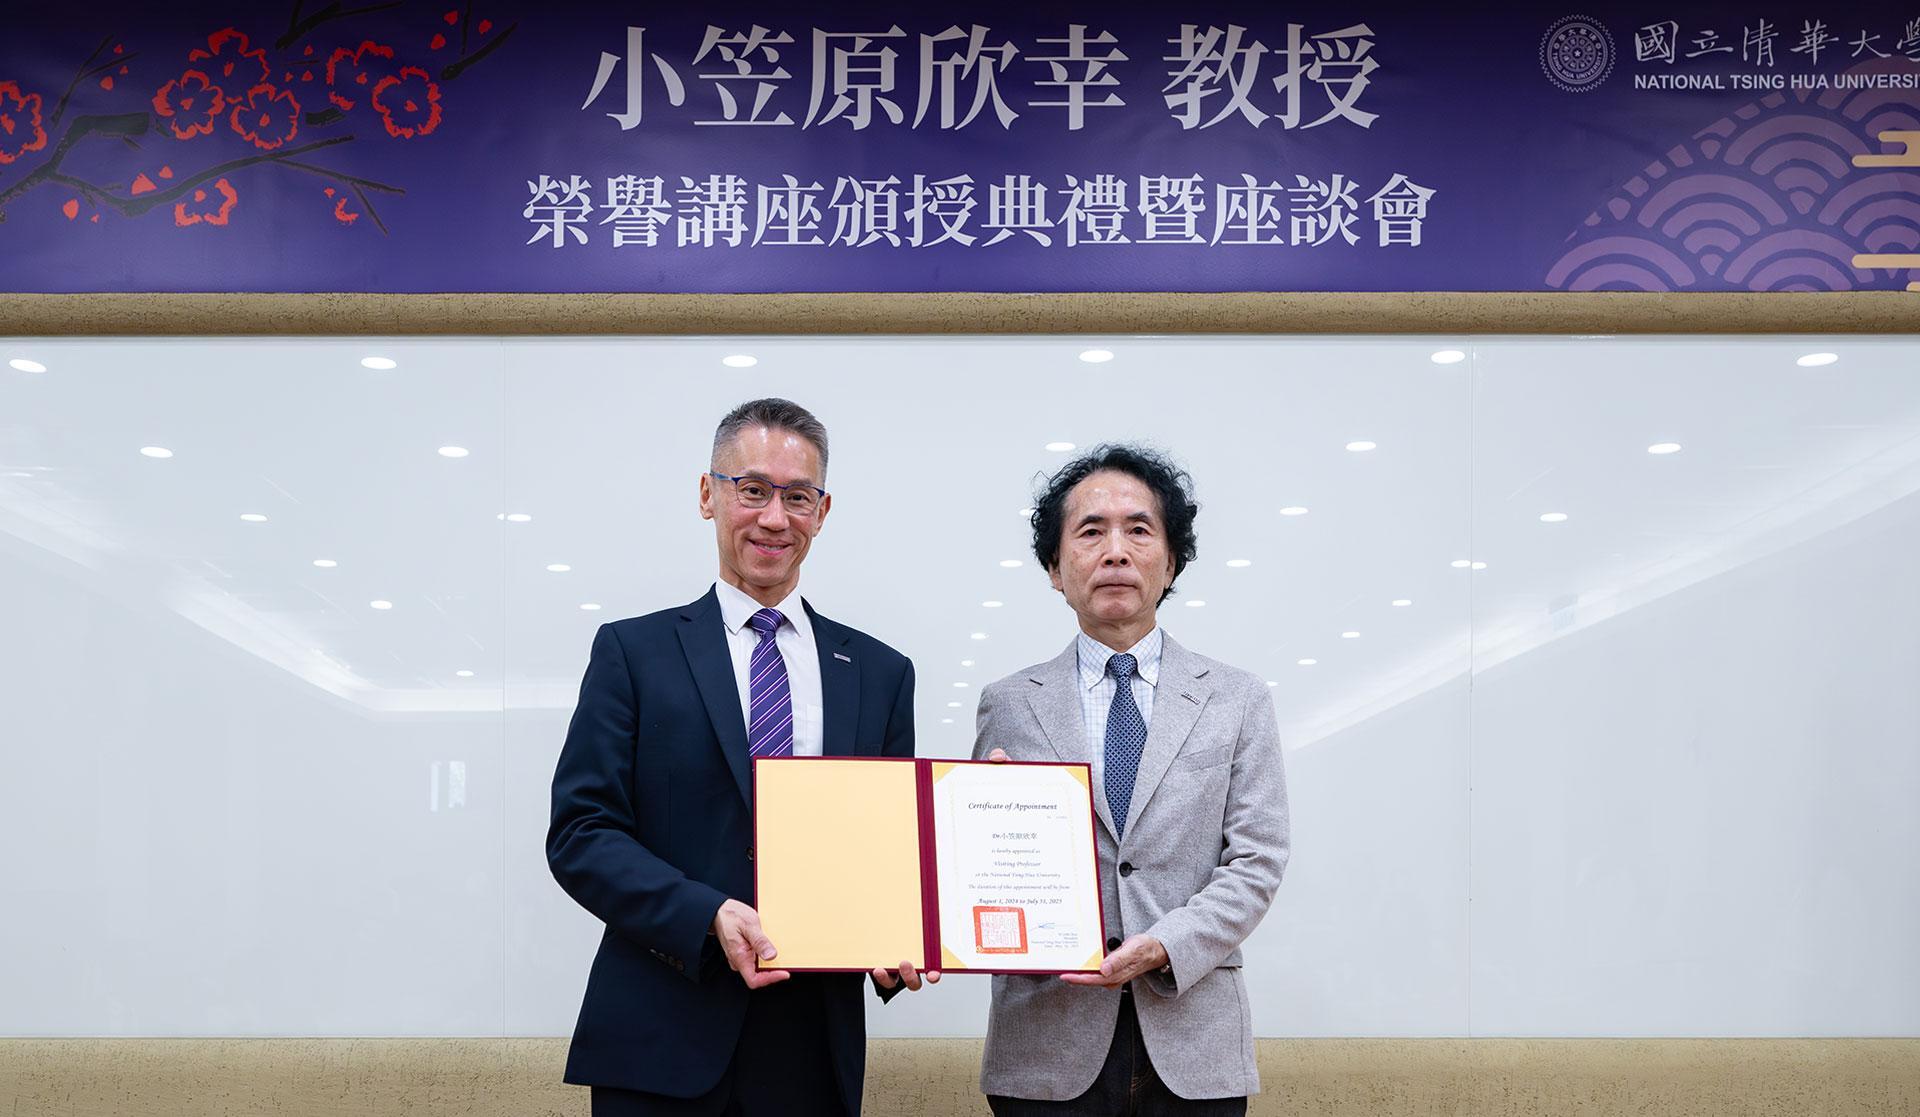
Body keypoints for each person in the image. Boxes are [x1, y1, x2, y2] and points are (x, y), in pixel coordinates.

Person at [548, 398, 932, 1117]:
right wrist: (705, 914)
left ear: (823, 511)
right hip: (659, 1039)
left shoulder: (880, 672)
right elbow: (581, 834)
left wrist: (902, 928)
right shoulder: (633, 653)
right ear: (708, 495)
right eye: (752, 489)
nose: (774, 517)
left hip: (813, 1053)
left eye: (798, 496)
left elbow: (886, 849)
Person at [974, 444, 1290, 1115]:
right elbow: (983, 869)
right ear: (1055, 568)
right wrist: (978, 829)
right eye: (1090, 531)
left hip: (1194, 1041)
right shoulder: (1008, 701)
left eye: (1139, 529)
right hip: (1045, 1047)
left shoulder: (1236, 698)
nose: (1116, 550)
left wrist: (1167, 943)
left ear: (1171, 561)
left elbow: (1257, 860)